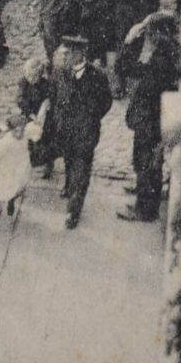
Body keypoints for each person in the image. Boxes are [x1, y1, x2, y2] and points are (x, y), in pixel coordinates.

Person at [117, 12, 180, 222]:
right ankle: (144, 196)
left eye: (150, 33)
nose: (147, 38)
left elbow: (126, 69)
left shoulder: (160, 60)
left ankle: (144, 209)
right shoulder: (167, 54)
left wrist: (128, 42)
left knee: (146, 162)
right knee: (148, 161)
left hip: (150, 120)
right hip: (155, 118)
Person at [51, 36, 115, 229]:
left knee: (82, 171)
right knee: (69, 161)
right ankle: (68, 186)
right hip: (66, 130)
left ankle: (74, 210)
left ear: (80, 54)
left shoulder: (97, 76)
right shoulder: (60, 72)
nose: (64, 56)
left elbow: (106, 102)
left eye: (68, 53)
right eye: (64, 53)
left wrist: (90, 118)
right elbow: (54, 96)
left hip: (86, 133)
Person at [0, 112, 34, 221]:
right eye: (16, 131)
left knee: (17, 186)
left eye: (22, 130)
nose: (19, 134)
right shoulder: (6, 142)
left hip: (20, 166)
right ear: (11, 131)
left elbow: (35, 129)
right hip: (6, 167)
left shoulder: (25, 136)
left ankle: (11, 201)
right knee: (1, 187)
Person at [16, 55, 57, 179]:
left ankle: (48, 165)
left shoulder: (46, 85)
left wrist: (47, 105)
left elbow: (50, 99)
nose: (31, 79)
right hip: (30, 114)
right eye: (29, 76)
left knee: (45, 139)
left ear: (40, 75)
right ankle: (31, 160)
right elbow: (20, 99)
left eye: (34, 76)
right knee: (29, 138)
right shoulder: (23, 83)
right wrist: (30, 113)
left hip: (43, 117)